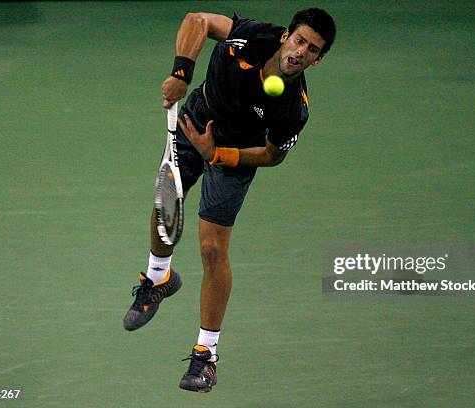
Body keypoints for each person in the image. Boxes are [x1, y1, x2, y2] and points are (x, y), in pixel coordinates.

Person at [123, 8, 336, 392]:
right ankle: (159, 278)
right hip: (196, 120)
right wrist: (180, 73)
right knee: (166, 203)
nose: (301, 51)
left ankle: (206, 357)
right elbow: (198, 21)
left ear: (318, 60)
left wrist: (219, 155)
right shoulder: (252, 37)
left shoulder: (293, 108)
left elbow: (273, 155)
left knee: (212, 249)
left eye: (312, 50)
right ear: (286, 35)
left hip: (235, 154)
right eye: (300, 40)